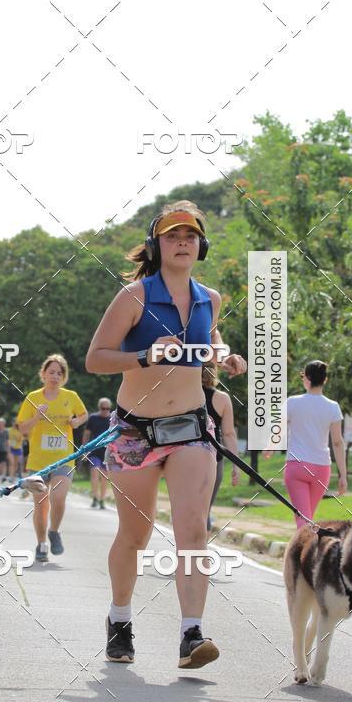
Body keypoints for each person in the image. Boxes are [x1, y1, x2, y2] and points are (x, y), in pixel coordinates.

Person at [86, 201, 247, 667]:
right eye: (173, 236)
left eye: (191, 236)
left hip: (192, 429)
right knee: (134, 536)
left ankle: (191, 634)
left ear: (201, 246)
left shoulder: (209, 299)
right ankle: (119, 619)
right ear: (157, 245)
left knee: (193, 532)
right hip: (135, 431)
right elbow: (96, 359)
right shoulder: (134, 296)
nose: (183, 242)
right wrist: (145, 356)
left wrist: (225, 356)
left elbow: (210, 342)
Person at [17, 354, 88, 562]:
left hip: (64, 458)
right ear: (43, 374)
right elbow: (22, 428)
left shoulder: (70, 396)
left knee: (58, 498)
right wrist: (36, 417)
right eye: (51, 372)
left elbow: (83, 415)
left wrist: (77, 422)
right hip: (38, 461)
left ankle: (54, 531)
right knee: (40, 504)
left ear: (63, 377)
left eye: (59, 373)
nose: (55, 376)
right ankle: (41, 544)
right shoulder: (33, 397)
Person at [266, 360, 347, 529]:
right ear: (325, 380)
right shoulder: (333, 407)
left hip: (297, 467)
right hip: (322, 469)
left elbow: (278, 430)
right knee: (307, 518)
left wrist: (271, 447)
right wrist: (343, 475)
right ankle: (309, 551)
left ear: (307, 379)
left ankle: (304, 553)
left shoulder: (293, 402)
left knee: (303, 520)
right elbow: (338, 443)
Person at [202, 364, 239, 531]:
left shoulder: (182, 394)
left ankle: (186, 552)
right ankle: (201, 553)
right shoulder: (222, 399)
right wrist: (236, 466)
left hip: (183, 458)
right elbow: (229, 434)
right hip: (213, 459)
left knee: (186, 510)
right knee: (205, 510)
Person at [83, 397, 113, 509]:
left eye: (107, 408)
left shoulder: (112, 419)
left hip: (107, 452)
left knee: (105, 477)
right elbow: (86, 433)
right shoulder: (93, 418)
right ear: (99, 407)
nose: (105, 410)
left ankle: (102, 499)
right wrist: (84, 449)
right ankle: (95, 497)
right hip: (94, 450)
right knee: (94, 473)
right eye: (103, 408)